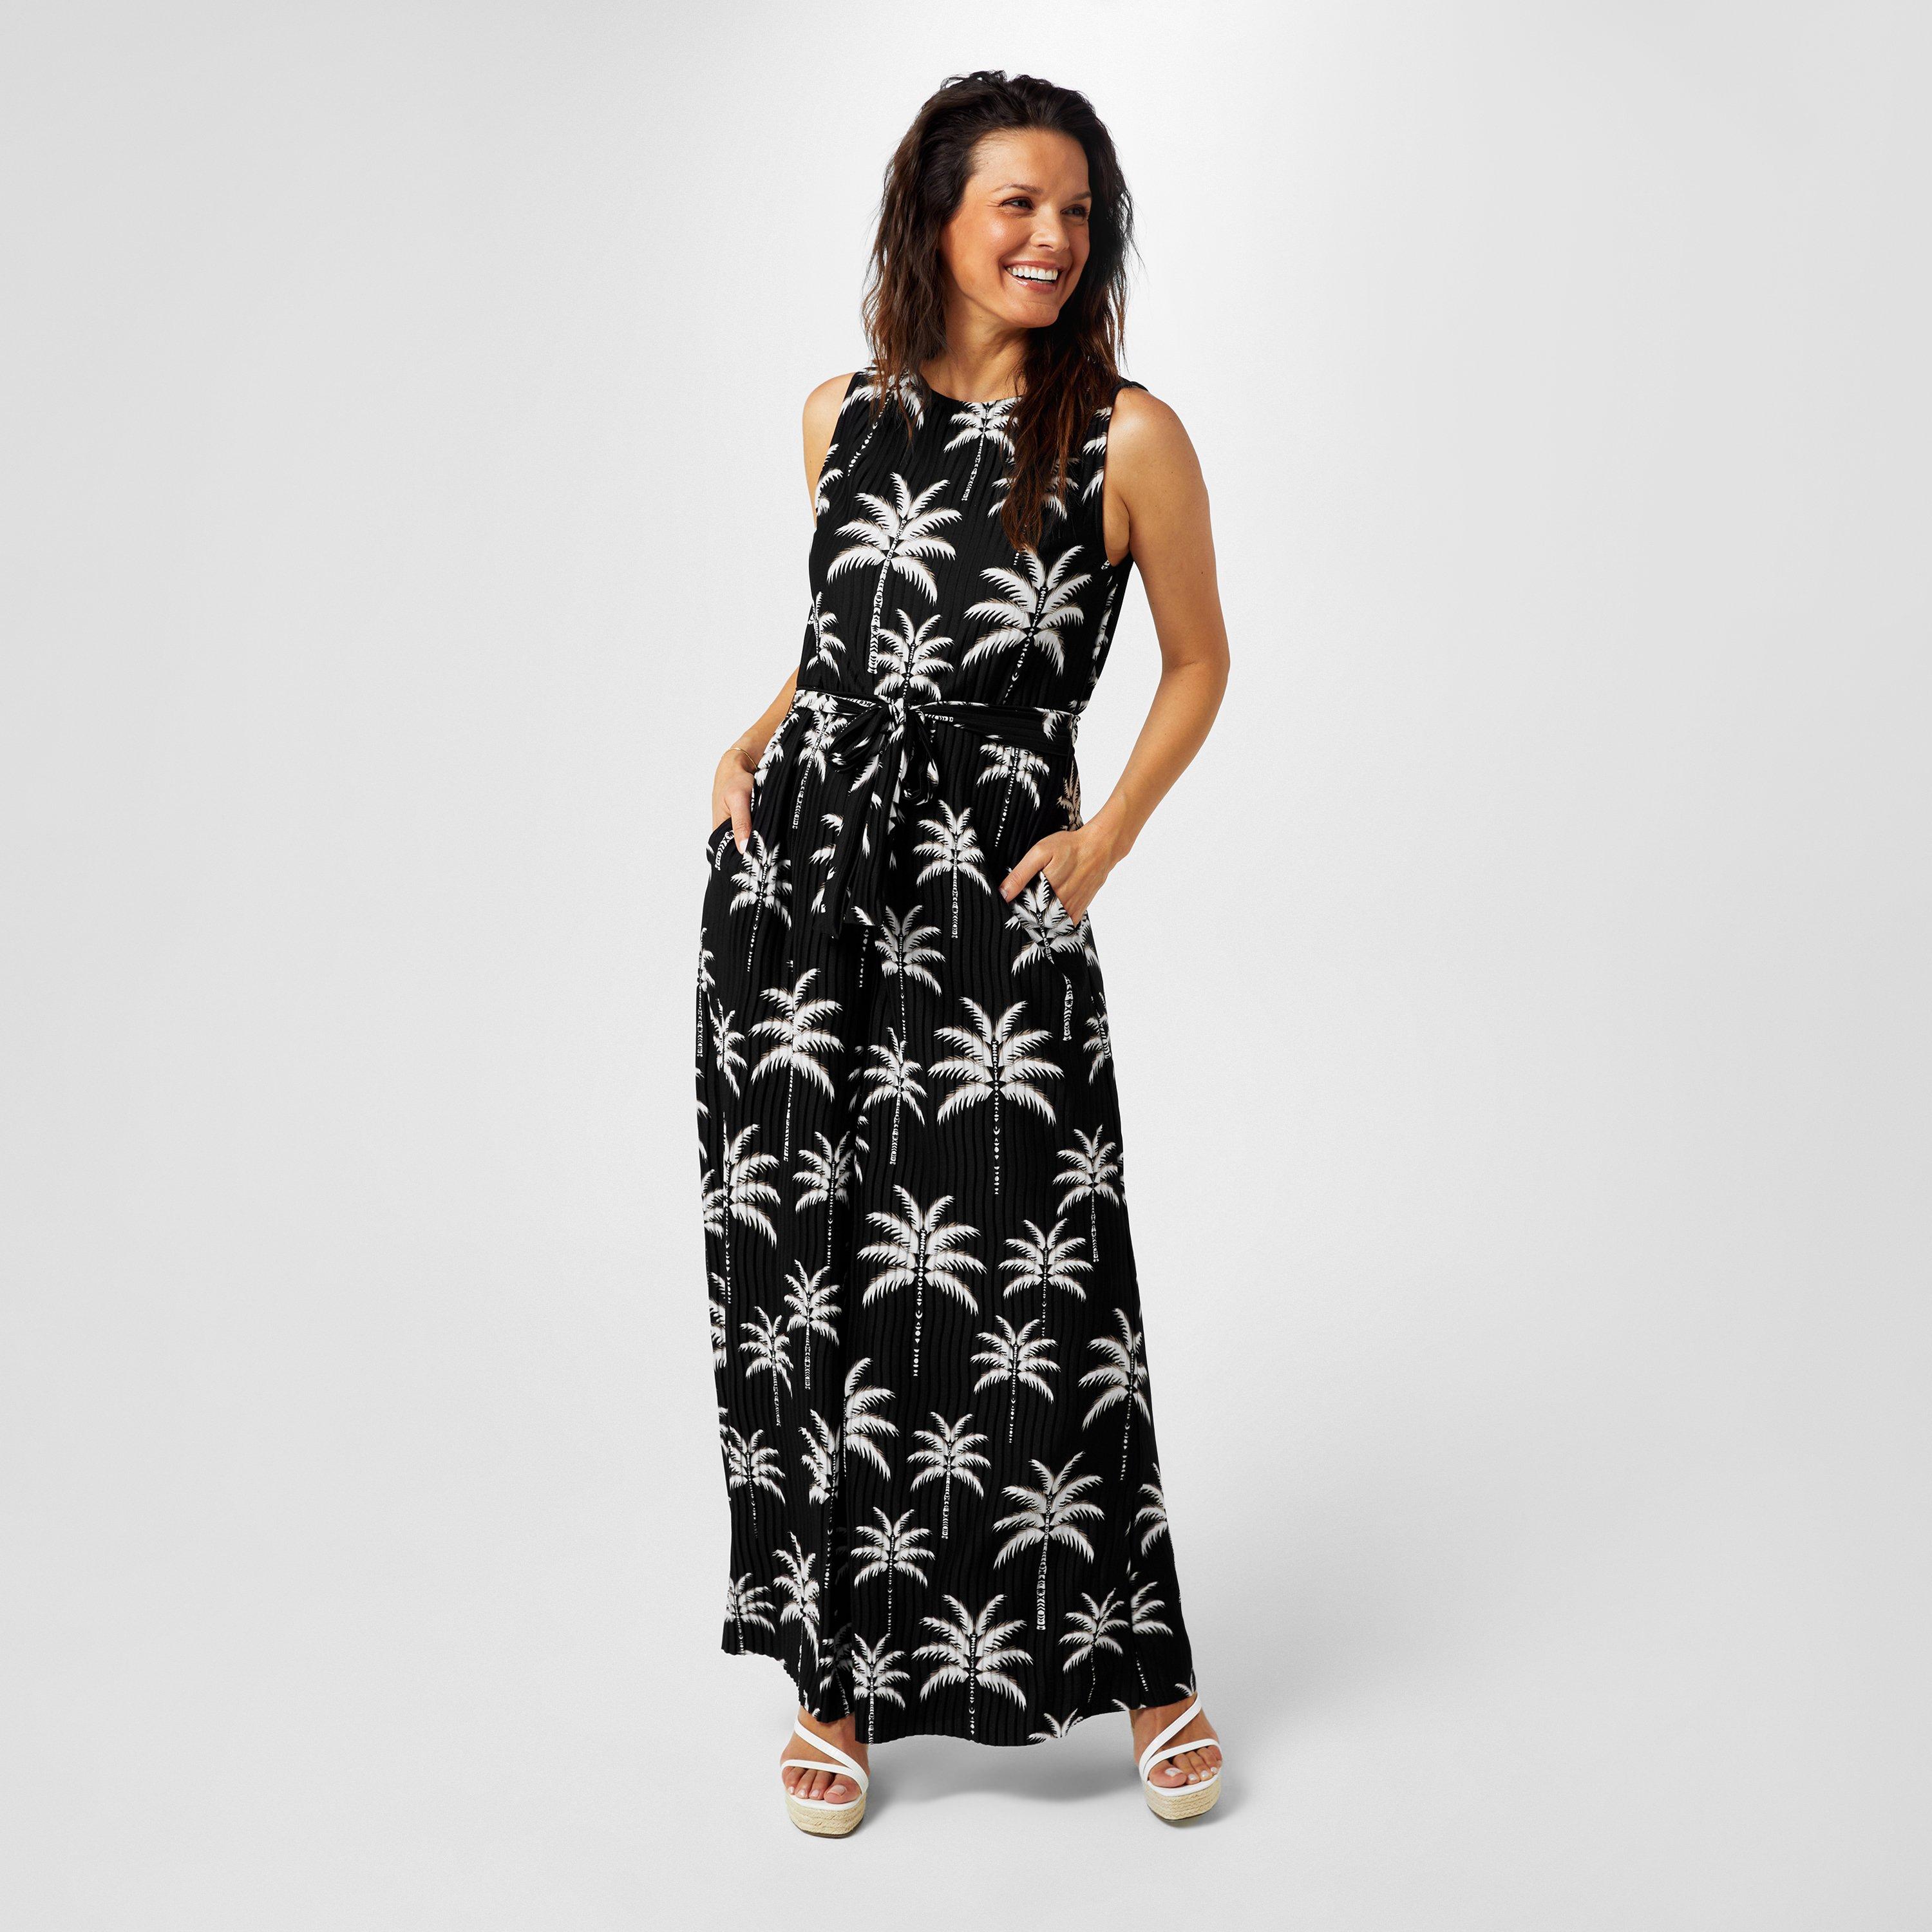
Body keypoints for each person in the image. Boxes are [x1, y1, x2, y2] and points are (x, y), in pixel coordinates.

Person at [693, 69, 1231, 1833]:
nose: (1053, 238)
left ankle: (1145, 1669)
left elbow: (1200, 662)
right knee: (822, 1274)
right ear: (935, 216)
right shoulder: (837, 415)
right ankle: (837, 1679)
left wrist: (1107, 836)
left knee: (1038, 1271)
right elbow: (845, 638)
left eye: (1078, 211)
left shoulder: (1129, 439)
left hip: (991, 894)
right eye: (1018, 203)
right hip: (798, 903)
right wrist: (746, 744)